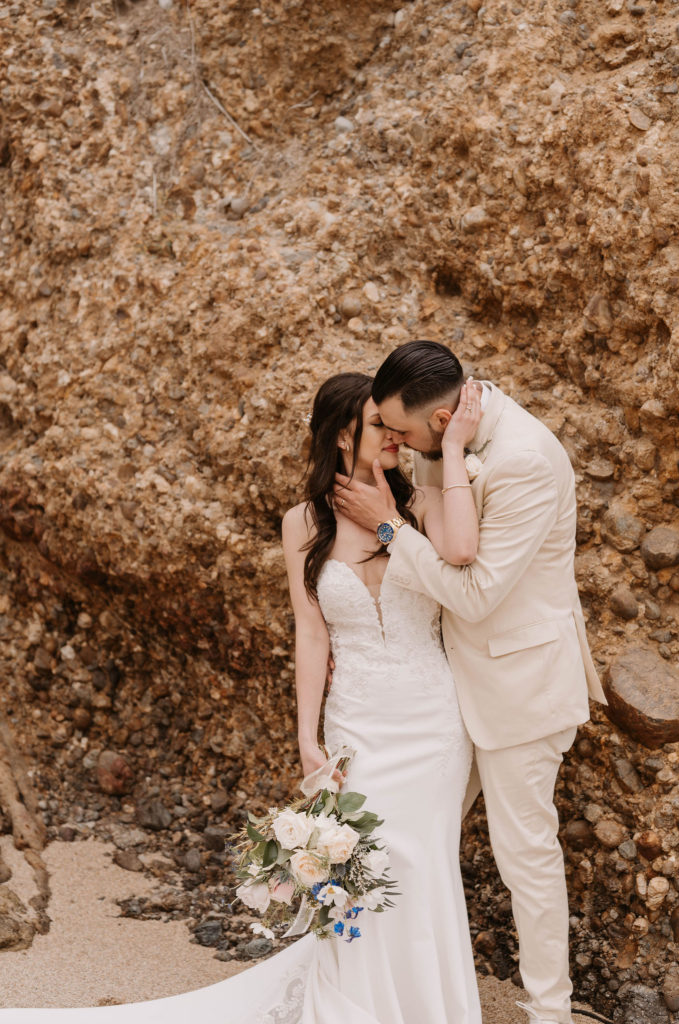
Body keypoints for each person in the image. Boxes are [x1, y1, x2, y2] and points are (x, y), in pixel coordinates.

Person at [0, 371, 485, 1024]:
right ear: (343, 435)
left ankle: (428, 1007)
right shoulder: (302, 522)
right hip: (358, 724)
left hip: (433, 722)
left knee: (425, 865)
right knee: (365, 865)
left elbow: (462, 552)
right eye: (379, 425)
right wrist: (306, 736)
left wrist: (445, 454)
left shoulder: (423, 504)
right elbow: (311, 633)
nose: (395, 436)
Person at [333, 341, 608, 1024]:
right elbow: (448, 534)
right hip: (443, 689)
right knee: (404, 835)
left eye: (404, 432)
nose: (397, 444)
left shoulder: (524, 461)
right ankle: (370, 983)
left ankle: (549, 1012)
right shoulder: (442, 434)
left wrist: (394, 528)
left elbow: (477, 592)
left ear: (447, 415)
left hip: (521, 684)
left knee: (525, 857)